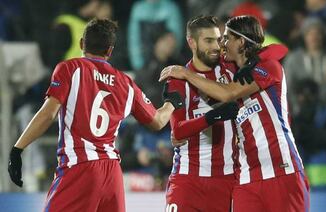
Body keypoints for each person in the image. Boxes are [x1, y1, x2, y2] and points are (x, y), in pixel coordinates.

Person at [7, 18, 184, 212]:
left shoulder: (69, 69)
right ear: (110, 50)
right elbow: (158, 122)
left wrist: (18, 149)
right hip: (112, 173)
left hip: (79, 166)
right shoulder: (126, 83)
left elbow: (48, 114)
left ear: (82, 43)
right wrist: (171, 103)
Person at [160, 15, 310, 212]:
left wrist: (186, 74)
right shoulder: (231, 71)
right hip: (247, 176)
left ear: (240, 41)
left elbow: (229, 91)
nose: (221, 44)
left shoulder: (268, 67)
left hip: (281, 168)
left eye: (226, 38)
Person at [164, 15, 240, 212]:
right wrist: (213, 116)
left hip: (227, 179)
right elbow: (178, 132)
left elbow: (272, 54)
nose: (215, 46)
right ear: (192, 42)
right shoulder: (177, 80)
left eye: (217, 39)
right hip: (188, 180)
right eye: (208, 40)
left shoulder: (233, 70)